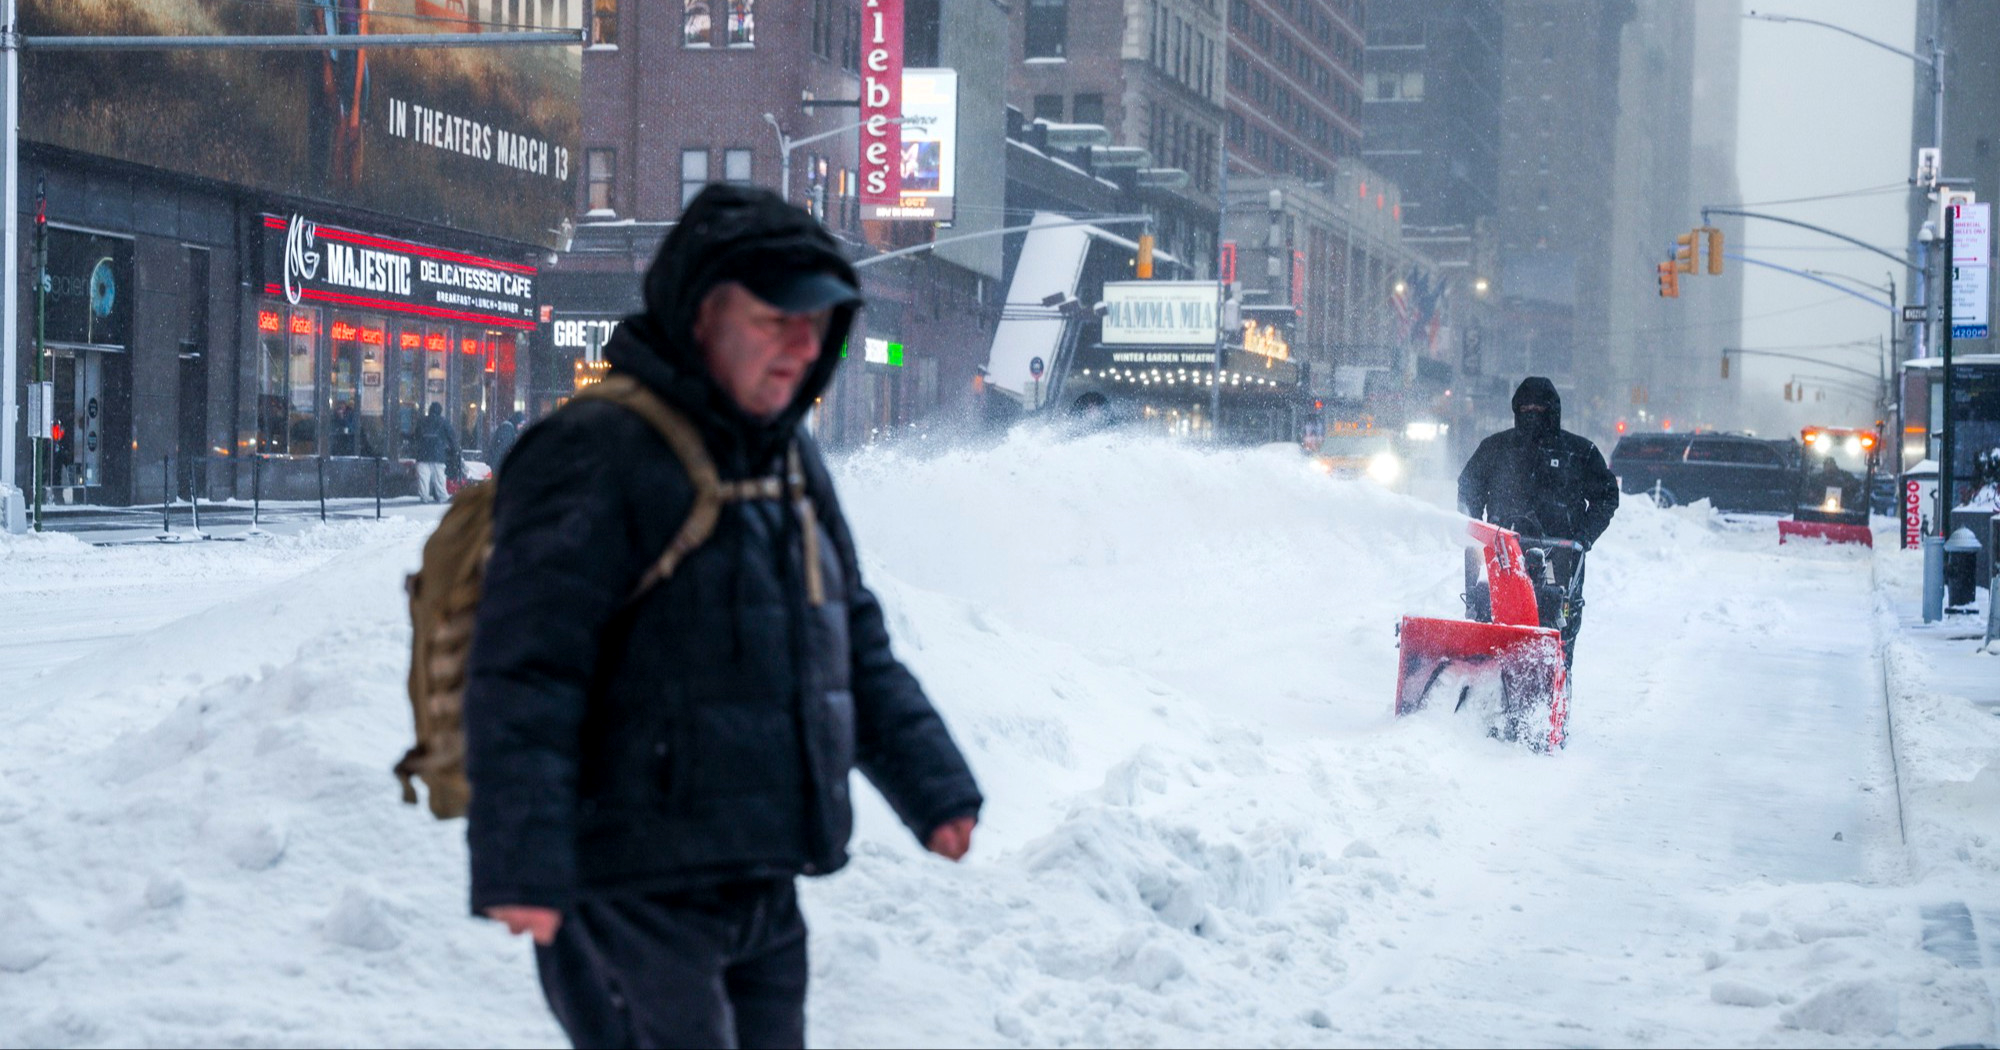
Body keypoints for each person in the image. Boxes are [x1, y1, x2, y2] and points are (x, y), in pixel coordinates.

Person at [462, 183, 984, 1050]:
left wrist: (932, 786)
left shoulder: (787, 459)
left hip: (760, 873)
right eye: (774, 319)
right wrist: (522, 859)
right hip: (630, 880)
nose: (801, 345)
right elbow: (526, 670)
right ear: (701, 313)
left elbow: (848, 636)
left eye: (815, 324)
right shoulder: (596, 451)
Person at [1457, 377, 1619, 665]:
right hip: (1503, 553)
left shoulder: (1579, 453)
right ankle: (1485, 670)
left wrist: (1583, 536)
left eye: (1538, 408)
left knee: (1557, 620)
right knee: (1489, 613)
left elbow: (1606, 496)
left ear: (1552, 410)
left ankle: (1555, 679)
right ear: (1516, 409)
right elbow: (1469, 486)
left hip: (1560, 555)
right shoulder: (1496, 448)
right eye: (1525, 408)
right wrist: (1477, 530)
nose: (1532, 414)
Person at [412, 402, 458, 503]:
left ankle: (424, 497)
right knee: (439, 477)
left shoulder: (422, 421)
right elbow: (452, 437)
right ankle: (442, 496)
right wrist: (455, 450)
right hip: (438, 454)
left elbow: (416, 436)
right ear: (440, 411)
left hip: (422, 454)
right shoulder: (443, 422)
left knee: (424, 478)